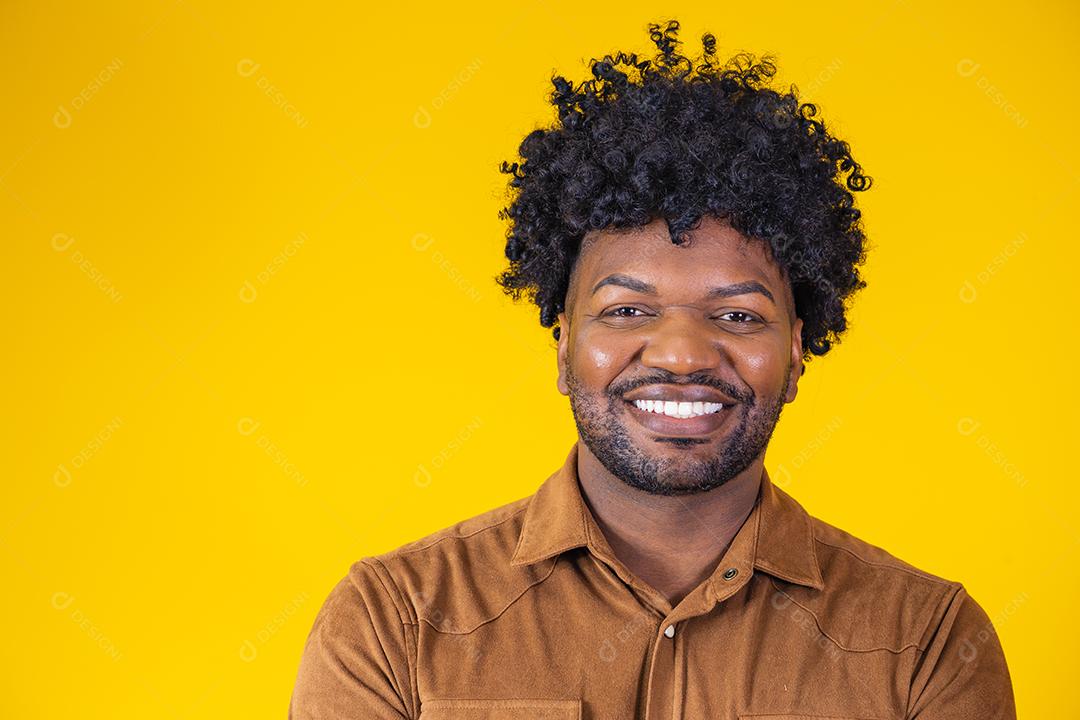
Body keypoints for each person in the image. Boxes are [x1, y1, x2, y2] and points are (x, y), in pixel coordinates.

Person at [289, 19, 1016, 719]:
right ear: (564, 345)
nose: (682, 355)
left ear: (796, 353)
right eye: (628, 312)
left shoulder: (928, 643)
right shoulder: (395, 624)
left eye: (737, 316)